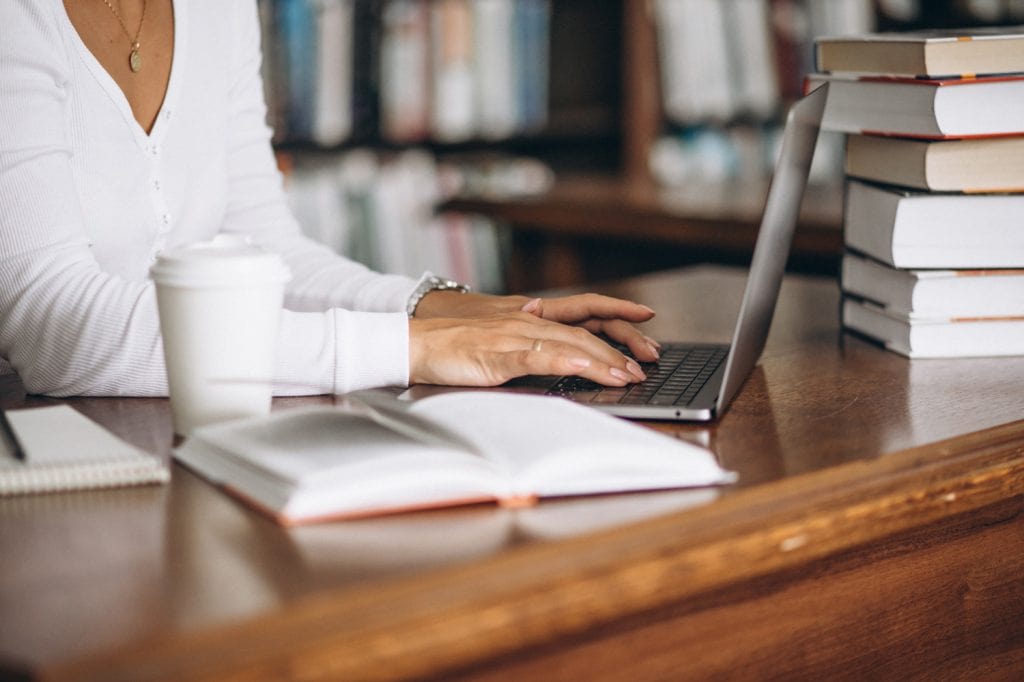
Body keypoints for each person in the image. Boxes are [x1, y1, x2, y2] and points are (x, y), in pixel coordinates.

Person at [0, 0, 660, 398]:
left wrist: (483, 314)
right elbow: (53, 321)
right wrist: (415, 347)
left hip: (184, 448)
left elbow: (269, 254)